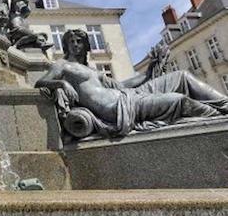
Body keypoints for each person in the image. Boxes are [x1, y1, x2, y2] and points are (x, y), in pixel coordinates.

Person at [35, 29, 228, 137]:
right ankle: (219, 118)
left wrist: (150, 68)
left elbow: (124, 84)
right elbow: (41, 82)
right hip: (118, 108)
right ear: (66, 44)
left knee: (182, 76)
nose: (76, 45)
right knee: (178, 100)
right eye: (72, 41)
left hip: (127, 95)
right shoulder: (62, 65)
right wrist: (61, 84)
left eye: (80, 42)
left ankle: (225, 106)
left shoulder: (92, 71)